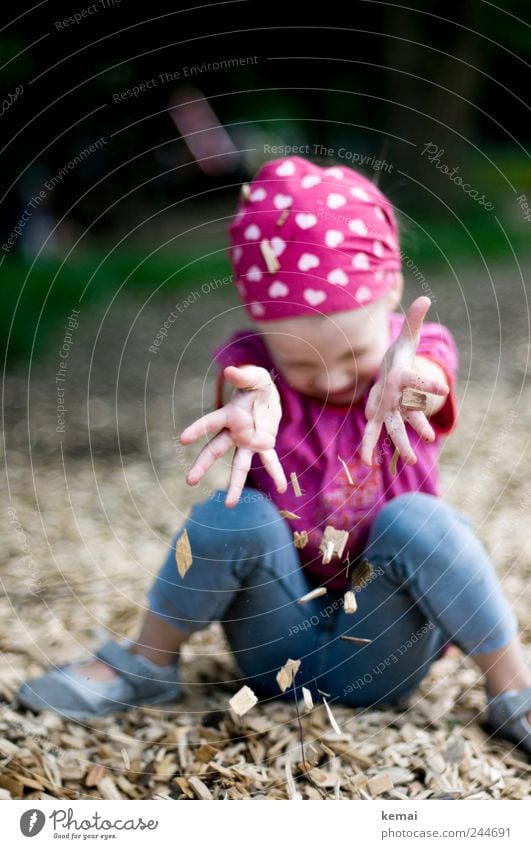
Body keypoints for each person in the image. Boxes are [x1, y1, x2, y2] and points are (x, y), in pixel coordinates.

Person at [17, 156, 531, 758]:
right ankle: (146, 663)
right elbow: (245, 386)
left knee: (419, 520)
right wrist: (247, 403)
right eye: (304, 365)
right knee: (233, 513)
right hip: (274, 651)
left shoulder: (416, 356)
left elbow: (432, 378)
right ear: (262, 330)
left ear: (391, 289)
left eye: (353, 354)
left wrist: (409, 374)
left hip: (385, 651)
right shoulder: (255, 369)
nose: (333, 377)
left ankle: (513, 687)